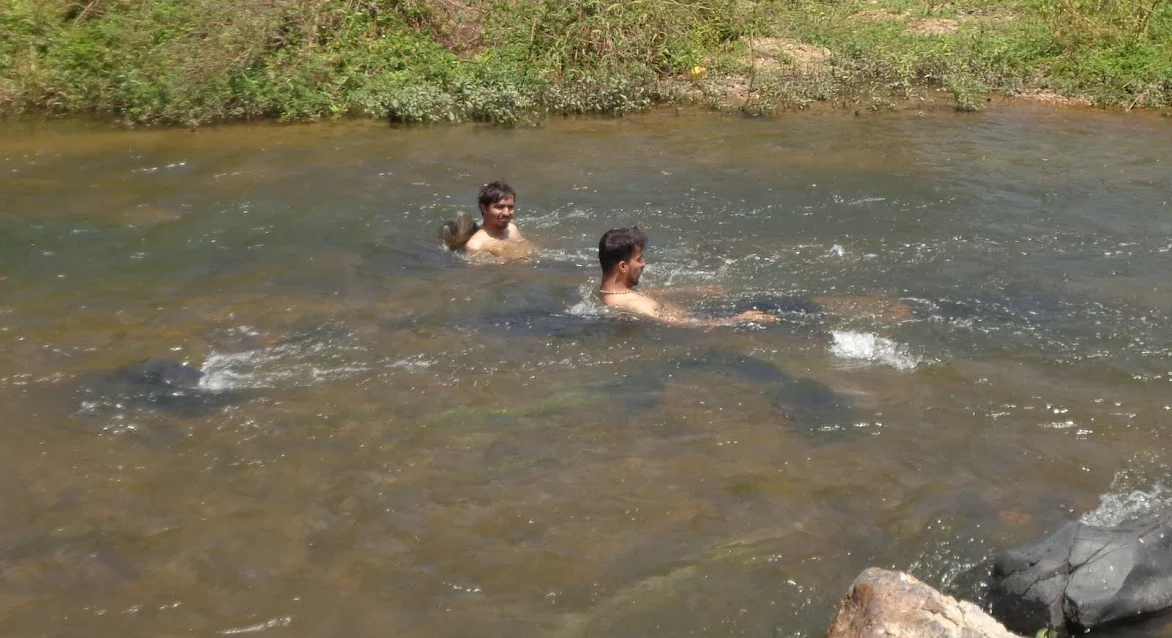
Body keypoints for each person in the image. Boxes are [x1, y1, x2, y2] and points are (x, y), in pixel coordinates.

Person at [597, 227, 775, 326]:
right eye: (639, 259)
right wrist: (737, 320)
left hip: (701, 315)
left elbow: (648, 293)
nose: (644, 263)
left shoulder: (608, 291)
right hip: (707, 320)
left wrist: (695, 290)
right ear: (622, 266)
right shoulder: (632, 305)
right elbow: (680, 326)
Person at [460, 180, 533, 260]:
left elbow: (531, 252)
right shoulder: (475, 245)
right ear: (484, 208)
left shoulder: (512, 229)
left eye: (510, 207)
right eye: (500, 207)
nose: (507, 213)